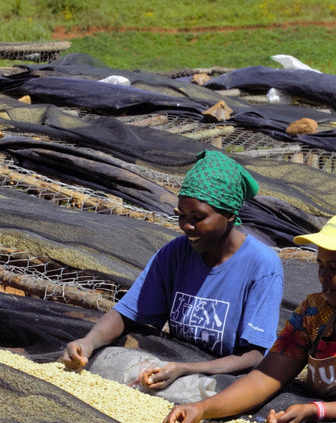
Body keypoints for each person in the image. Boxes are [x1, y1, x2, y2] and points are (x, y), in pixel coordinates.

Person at [162, 210, 336, 423]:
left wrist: (315, 410)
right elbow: (266, 378)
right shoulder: (315, 312)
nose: (323, 276)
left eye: (335, 267)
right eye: (320, 265)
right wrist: (203, 409)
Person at [60, 151, 284, 390]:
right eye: (182, 216)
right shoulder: (176, 253)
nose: (187, 226)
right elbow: (127, 313)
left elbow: (255, 355)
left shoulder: (262, 266)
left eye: (198, 217)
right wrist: (89, 342)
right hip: (177, 364)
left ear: (229, 214)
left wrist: (188, 369)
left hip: (225, 376)